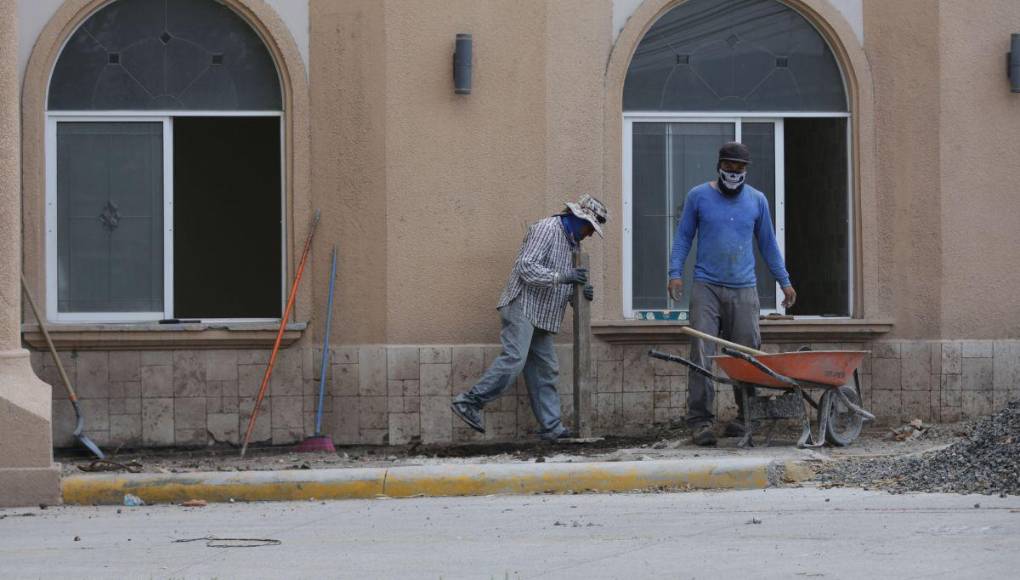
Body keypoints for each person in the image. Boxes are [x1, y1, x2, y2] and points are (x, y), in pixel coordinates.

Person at [668, 142, 796, 446]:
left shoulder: (757, 201)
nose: (734, 173)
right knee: (701, 351)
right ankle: (701, 421)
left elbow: (768, 244)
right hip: (706, 286)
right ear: (719, 166)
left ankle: (745, 416)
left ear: (746, 170)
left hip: (744, 288)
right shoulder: (698, 196)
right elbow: (683, 236)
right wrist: (674, 274)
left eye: (739, 168)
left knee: (747, 352)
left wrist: (785, 281)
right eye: (729, 166)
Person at [452, 194, 609, 441]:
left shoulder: (574, 246)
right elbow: (526, 267)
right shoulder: (547, 229)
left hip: (543, 316)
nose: (590, 234)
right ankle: (468, 402)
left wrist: (580, 294)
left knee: (546, 371)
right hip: (522, 306)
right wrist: (564, 278)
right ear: (578, 218)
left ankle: (552, 428)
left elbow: (564, 284)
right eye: (590, 227)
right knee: (514, 359)